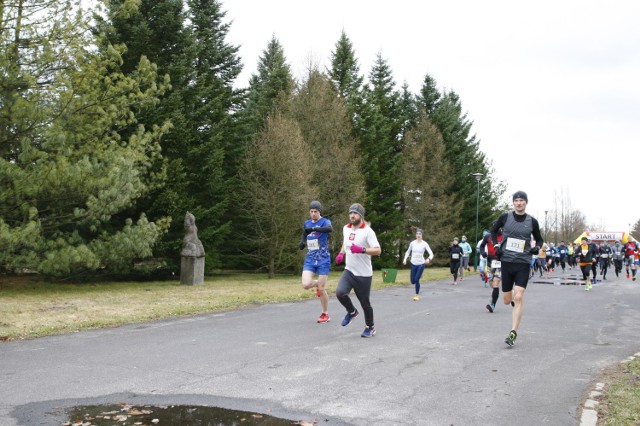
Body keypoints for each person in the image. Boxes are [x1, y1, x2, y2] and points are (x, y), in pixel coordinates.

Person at [490, 191, 543, 347]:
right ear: (513, 203)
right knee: (507, 300)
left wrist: (537, 247)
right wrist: (496, 246)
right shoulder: (505, 217)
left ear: (526, 203)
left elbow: (539, 238)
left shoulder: (532, 221)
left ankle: (513, 333)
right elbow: (493, 231)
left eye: (522, 200)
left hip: (523, 262)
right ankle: (512, 296)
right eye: (516, 200)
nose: (519, 203)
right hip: (506, 261)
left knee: (518, 297)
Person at [334, 203, 381, 338]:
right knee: (340, 293)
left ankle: (370, 327)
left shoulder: (368, 231)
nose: (352, 215)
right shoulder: (346, 228)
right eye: (350, 213)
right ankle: (352, 312)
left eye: (355, 213)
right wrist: (341, 253)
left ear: (360, 215)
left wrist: (363, 250)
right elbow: (345, 242)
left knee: (365, 303)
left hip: (363, 274)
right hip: (349, 270)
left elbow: (378, 250)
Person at [299, 200, 333, 323]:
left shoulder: (325, 221)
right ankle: (318, 284)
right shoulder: (306, 223)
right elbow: (305, 233)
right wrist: (302, 242)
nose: (313, 214)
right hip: (310, 258)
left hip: (323, 258)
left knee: (322, 288)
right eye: (311, 211)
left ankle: (325, 314)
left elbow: (330, 229)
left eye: (315, 211)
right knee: (306, 284)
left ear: (319, 212)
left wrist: (314, 228)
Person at [403, 228, 434, 301]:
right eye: (417, 234)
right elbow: (408, 252)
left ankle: (416, 294)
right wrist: (405, 259)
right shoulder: (412, 243)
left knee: (416, 279)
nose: (418, 235)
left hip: (421, 264)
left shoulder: (424, 244)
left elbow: (431, 254)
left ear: (422, 235)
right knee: (412, 281)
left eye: (420, 234)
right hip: (413, 263)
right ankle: (419, 275)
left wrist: (428, 259)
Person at [480, 228, 504, 313]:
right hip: (490, 261)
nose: (499, 229)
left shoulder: (505, 236)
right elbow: (481, 246)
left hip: (501, 262)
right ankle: (505, 293)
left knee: (496, 282)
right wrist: (482, 252)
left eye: (500, 227)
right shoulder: (488, 236)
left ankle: (492, 305)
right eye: (497, 227)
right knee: (491, 283)